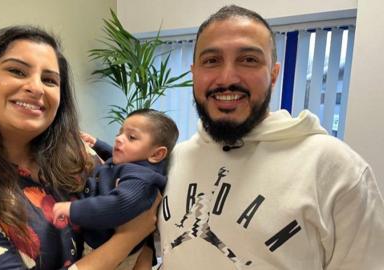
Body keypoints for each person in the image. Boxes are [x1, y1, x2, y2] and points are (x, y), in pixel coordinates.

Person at [0, 25, 159, 270]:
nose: (36, 87)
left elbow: (142, 211)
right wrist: (127, 239)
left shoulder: (78, 155)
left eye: (49, 80)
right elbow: (137, 226)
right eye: (17, 71)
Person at [158, 5, 384, 270]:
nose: (227, 77)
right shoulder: (174, 159)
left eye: (248, 60)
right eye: (211, 61)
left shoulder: (335, 168)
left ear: (274, 74)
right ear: (194, 72)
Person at [54, 108, 179, 270]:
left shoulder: (141, 179)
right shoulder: (135, 162)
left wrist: (73, 209)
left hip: (110, 252)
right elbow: (115, 159)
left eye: (131, 137)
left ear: (156, 154)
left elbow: (117, 204)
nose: (119, 139)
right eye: (120, 133)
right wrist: (97, 144)